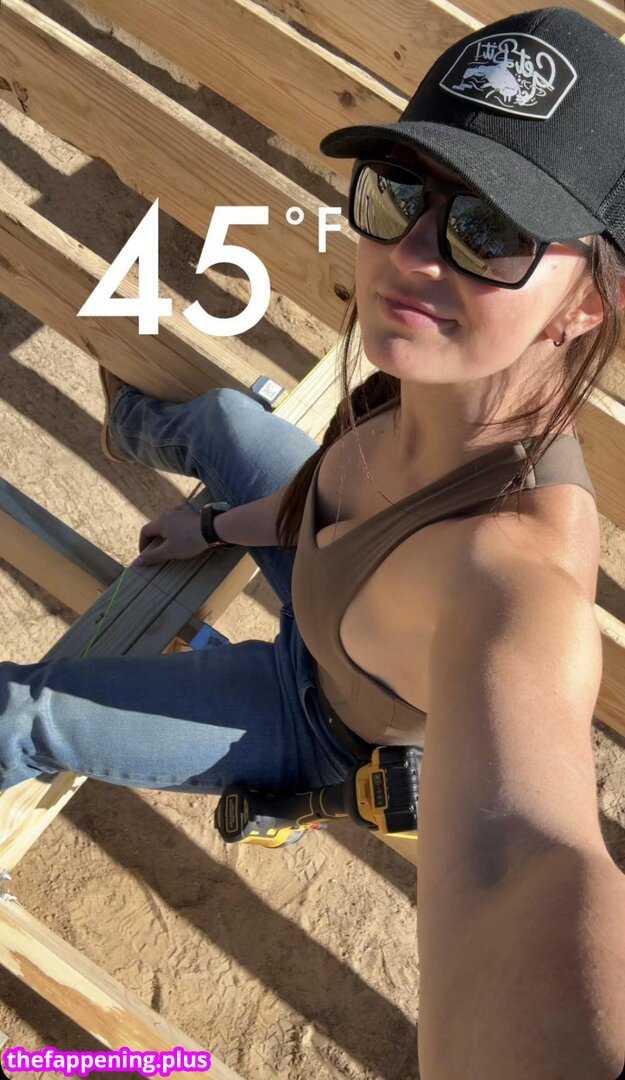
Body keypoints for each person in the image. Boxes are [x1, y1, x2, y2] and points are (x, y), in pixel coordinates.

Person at [2, 5, 625, 1076]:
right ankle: (133, 423)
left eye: (491, 233)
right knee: (222, 422)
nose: (412, 256)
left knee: (23, 714)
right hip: (329, 597)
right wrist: (210, 524)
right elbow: (320, 508)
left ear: (586, 305)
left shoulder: (510, 576)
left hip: (317, 719)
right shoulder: (419, 380)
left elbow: (522, 864)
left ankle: (283, 784)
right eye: (397, 192)